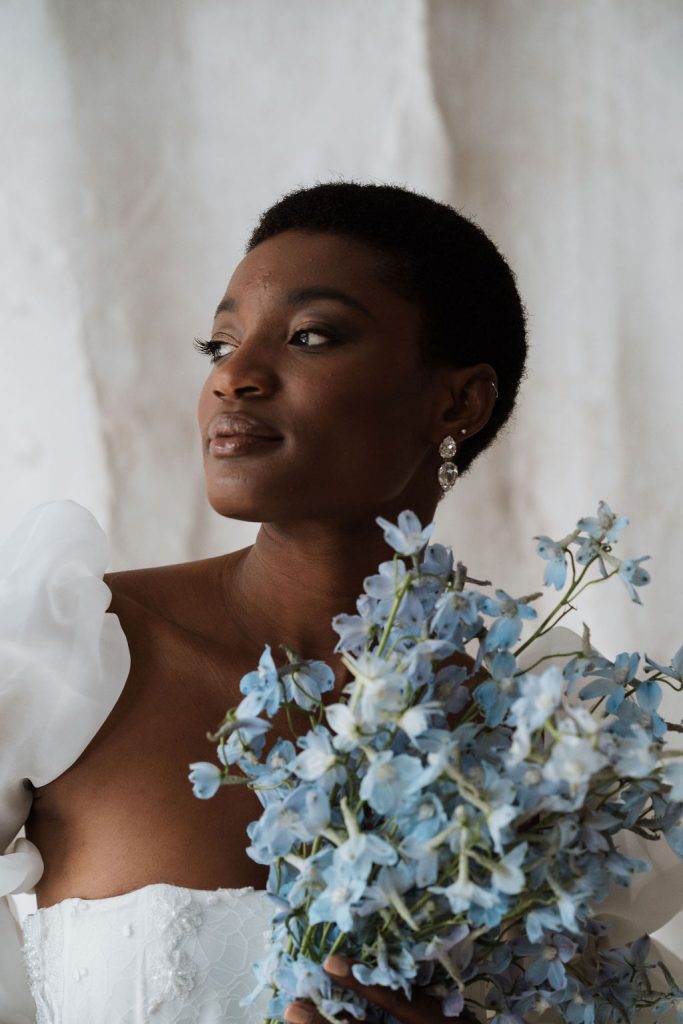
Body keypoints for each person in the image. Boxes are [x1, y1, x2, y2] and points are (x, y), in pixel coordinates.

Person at [0, 182, 680, 1024]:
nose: (234, 377)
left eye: (310, 336)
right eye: (219, 344)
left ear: (458, 403)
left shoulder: (559, 736)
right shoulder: (61, 647)